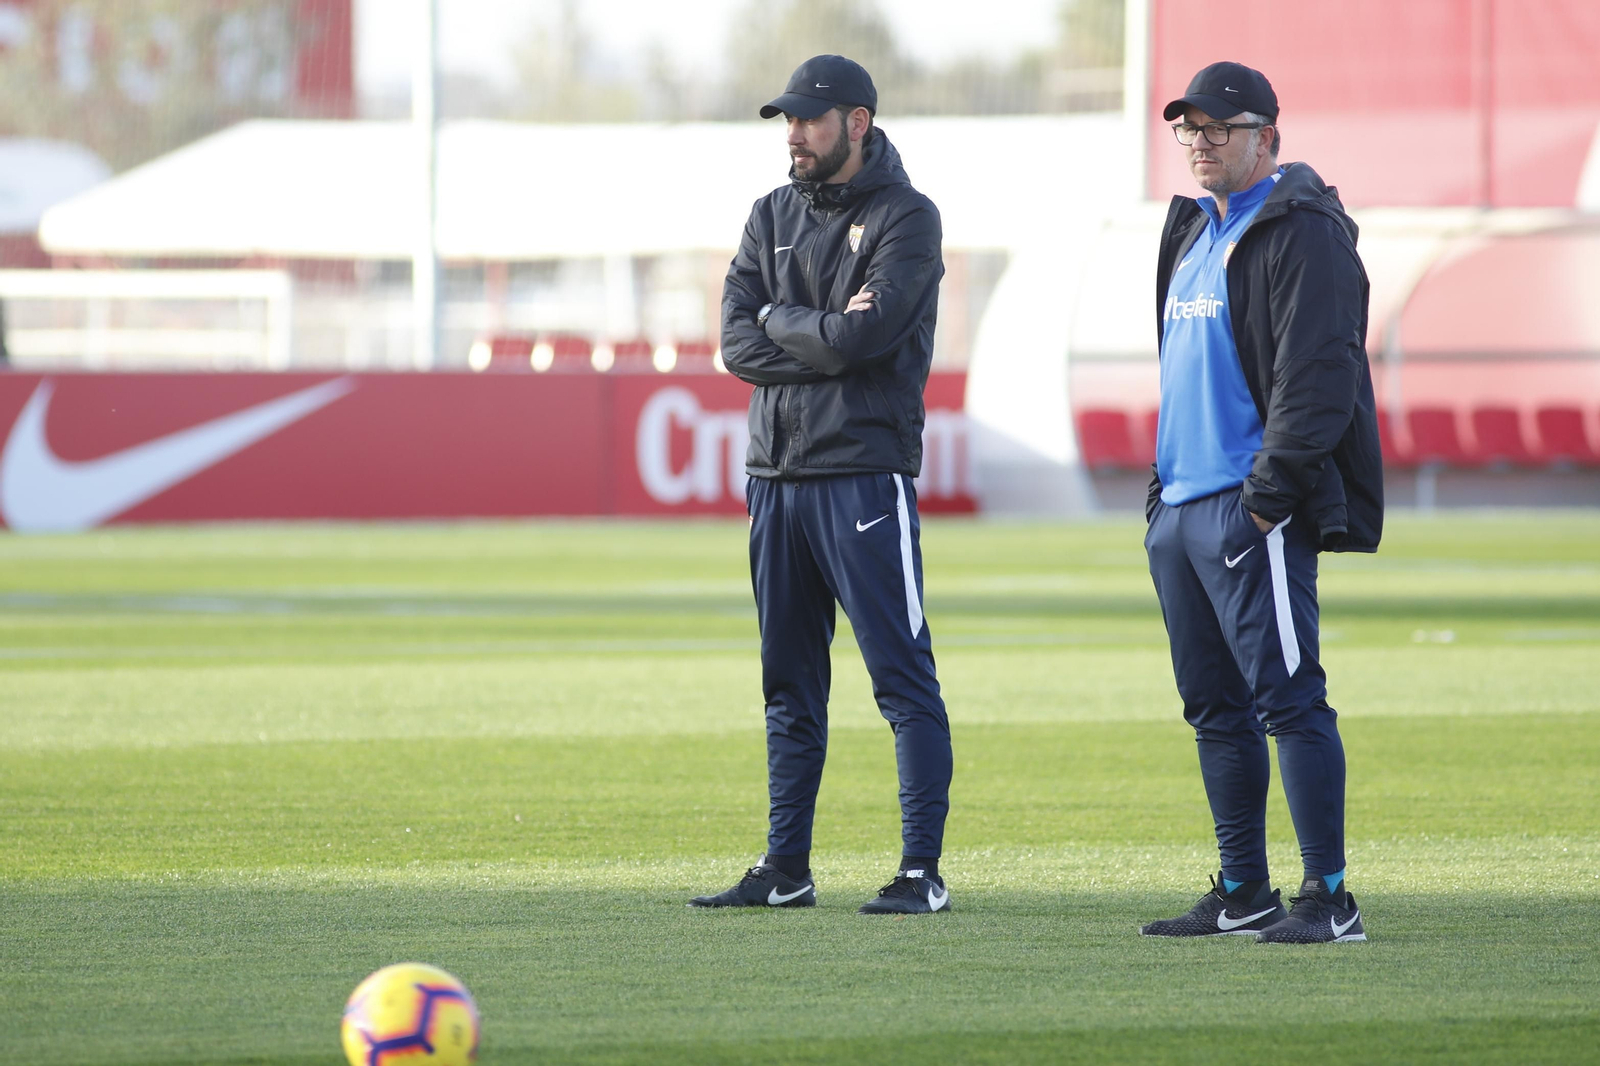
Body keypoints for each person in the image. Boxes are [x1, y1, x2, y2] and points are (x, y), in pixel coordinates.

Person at [690, 54, 952, 915]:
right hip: (775, 480)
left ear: (858, 122)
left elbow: (855, 346)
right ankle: (785, 869)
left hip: (862, 479)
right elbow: (737, 344)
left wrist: (783, 324)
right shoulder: (769, 214)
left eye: (809, 118)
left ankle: (921, 874)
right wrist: (806, 331)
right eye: (787, 120)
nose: (794, 134)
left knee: (901, 680)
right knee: (788, 683)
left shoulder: (907, 219)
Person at [1139, 61, 1384, 943]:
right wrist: (1162, 501)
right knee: (1213, 709)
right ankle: (1245, 887)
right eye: (1189, 129)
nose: (1201, 143)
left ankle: (1331, 895)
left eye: (1220, 128)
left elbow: (1321, 379)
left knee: (1290, 701)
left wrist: (1266, 504)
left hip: (1252, 512)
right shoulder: (1194, 229)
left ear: (1267, 138)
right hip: (1182, 513)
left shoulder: (1302, 230)